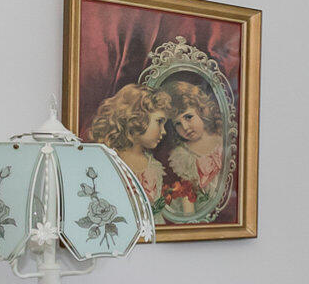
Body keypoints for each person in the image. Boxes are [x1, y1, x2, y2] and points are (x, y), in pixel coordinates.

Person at [87, 84, 170, 205]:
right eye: (159, 122)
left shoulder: (155, 167)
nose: (164, 131)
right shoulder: (110, 161)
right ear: (137, 118)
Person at [164, 78, 227, 212]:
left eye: (188, 117)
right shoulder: (182, 155)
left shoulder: (222, 138)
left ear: (201, 110)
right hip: (202, 210)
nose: (185, 127)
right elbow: (188, 194)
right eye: (177, 124)